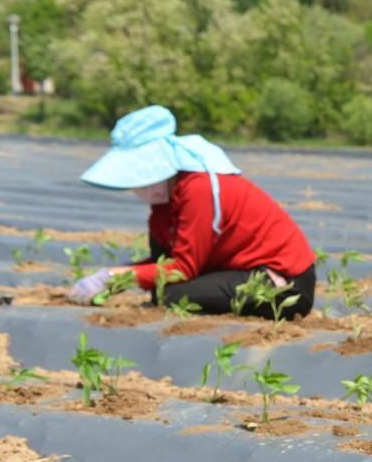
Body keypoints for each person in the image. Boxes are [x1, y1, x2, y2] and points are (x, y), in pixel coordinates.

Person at [69, 105, 316, 318]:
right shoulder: (164, 207)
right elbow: (163, 263)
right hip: (239, 271)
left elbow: (183, 269)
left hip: (282, 283)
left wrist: (114, 276)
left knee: (172, 294)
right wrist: (114, 280)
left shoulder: (199, 189)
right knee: (162, 290)